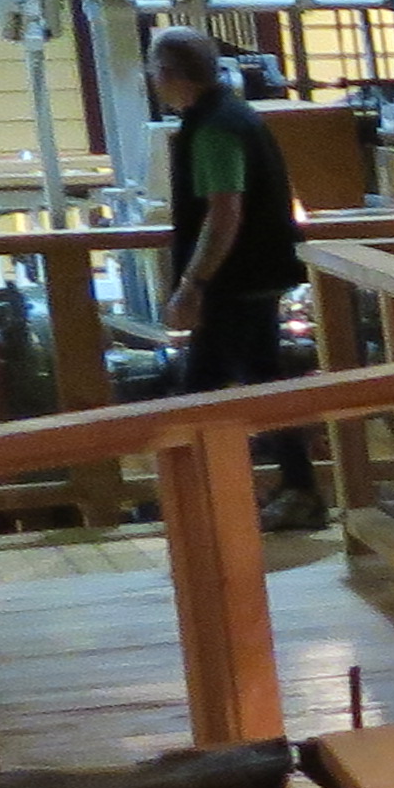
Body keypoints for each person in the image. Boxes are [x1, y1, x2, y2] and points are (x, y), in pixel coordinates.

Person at [143, 29, 320, 529]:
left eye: (155, 69)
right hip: (257, 272)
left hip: (234, 279)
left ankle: (198, 504)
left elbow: (224, 213)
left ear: (171, 74)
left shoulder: (215, 128)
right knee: (262, 382)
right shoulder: (235, 115)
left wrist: (192, 283)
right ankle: (296, 488)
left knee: (201, 389)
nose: (152, 79)